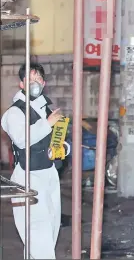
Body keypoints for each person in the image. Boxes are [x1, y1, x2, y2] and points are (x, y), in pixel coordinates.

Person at [1, 63, 63, 259]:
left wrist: (63, 148)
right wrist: (47, 123)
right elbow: (21, 139)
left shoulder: (46, 109)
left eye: (38, 80)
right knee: (37, 232)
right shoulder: (14, 112)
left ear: (43, 83)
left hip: (50, 174)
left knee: (51, 225)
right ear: (22, 84)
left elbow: (58, 139)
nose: (35, 83)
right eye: (30, 79)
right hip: (28, 176)